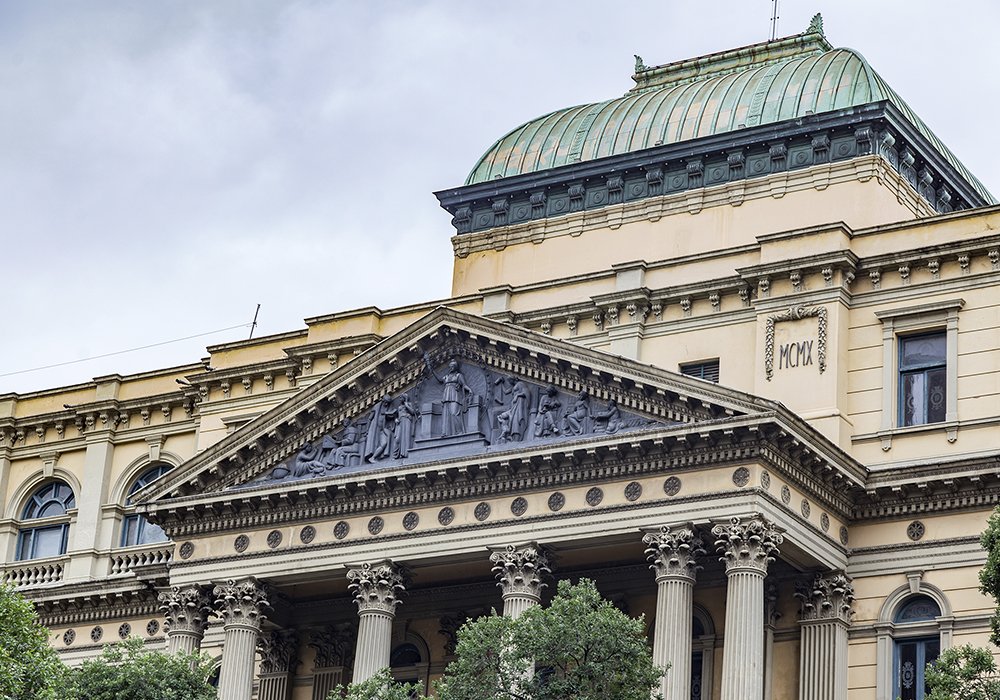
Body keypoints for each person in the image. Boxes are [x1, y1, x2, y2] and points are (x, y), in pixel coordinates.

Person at [425, 355, 473, 436]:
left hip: (455, 396)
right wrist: (432, 370)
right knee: (446, 415)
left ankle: (459, 432)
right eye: (450, 366)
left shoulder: (458, 376)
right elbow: (439, 380)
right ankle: (446, 433)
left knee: (454, 413)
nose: (451, 367)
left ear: (456, 367)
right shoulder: (446, 377)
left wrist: (469, 389)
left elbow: (464, 385)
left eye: (453, 366)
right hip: (446, 396)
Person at [364, 395, 396, 462]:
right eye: (385, 402)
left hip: (383, 429)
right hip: (375, 430)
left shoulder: (388, 408)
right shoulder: (376, 407)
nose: (386, 404)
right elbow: (370, 419)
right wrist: (367, 430)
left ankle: (374, 457)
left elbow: (388, 417)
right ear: (382, 401)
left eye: (388, 403)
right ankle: (372, 457)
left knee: (384, 443)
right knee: (374, 444)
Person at [393, 393, 419, 458]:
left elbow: (413, 412)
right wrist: (396, 419)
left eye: (401, 397)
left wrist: (406, 405)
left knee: (406, 437)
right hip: (400, 423)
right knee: (397, 439)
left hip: (407, 421)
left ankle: (405, 454)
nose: (399, 399)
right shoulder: (399, 407)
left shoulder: (409, 404)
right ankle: (395, 455)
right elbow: (397, 415)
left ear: (404, 398)